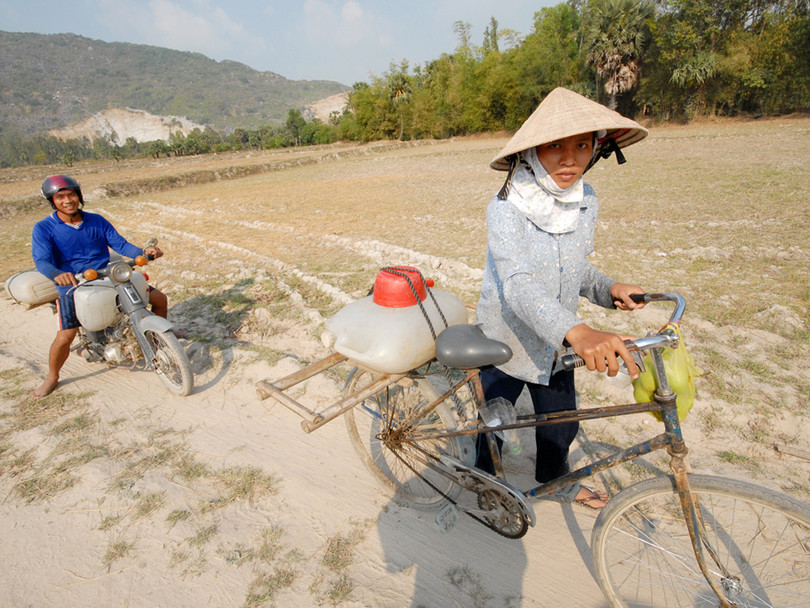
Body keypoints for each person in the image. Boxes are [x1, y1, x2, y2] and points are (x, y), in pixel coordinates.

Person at [475, 87, 649, 509]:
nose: (569, 159)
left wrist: (607, 289)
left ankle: (557, 482)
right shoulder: (506, 207)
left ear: (598, 148)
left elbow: (574, 269)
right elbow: (516, 283)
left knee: (560, 424)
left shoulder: (585, 200)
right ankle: (482, 480)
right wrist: (577, 330)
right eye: (555, 146)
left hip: (557, 341)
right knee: (493, 421)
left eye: (582, 145)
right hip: (507, 337)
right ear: (532, 151)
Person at [31, 174, 167, 399]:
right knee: (66, 335)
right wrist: (58, 274)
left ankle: (159, 341)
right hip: (73, 284)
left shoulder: (96, 220)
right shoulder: (44, 228)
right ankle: (52, 376)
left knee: (160, 300)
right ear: (52, 201)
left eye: (72, 194)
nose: (68, 200)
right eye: (61, 197)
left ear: (79, 196)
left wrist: (143, 253)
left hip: (107, 274)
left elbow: (120, 243)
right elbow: (42, 260)